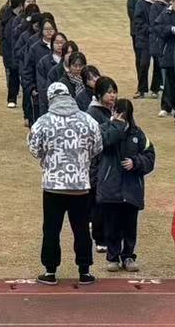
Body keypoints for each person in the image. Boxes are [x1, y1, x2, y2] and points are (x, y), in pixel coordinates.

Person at [28, 80, 101, 286]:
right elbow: (97, 147)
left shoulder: (43, 122)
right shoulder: (87, 120)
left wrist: (47, 158)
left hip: (53, 186)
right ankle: (84, 270)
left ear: (50, 98)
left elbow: (34, 148)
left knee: (51, 229)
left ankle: (50, 271)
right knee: (81, 229)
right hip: (79, 185)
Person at [95, 97, 155, 272]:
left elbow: (150, 156)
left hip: (131, 188)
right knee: (111, 224)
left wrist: (135, 163)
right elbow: (104, 143)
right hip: (111, 187)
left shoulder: (138, 134)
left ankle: (128, 256)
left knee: (130, 226)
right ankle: (112, 257)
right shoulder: (105, 129)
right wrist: (117, 125)